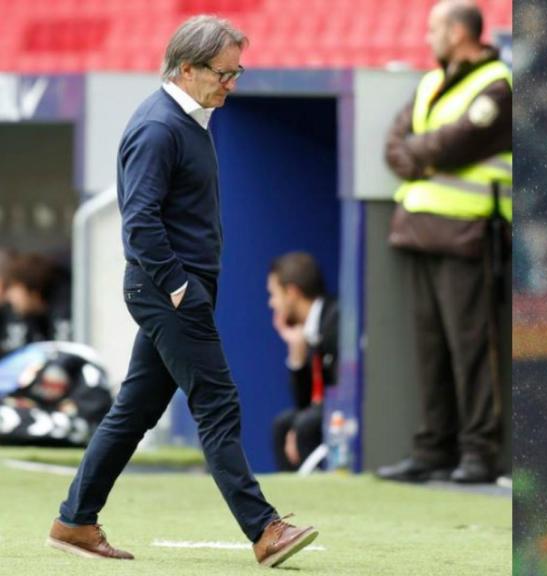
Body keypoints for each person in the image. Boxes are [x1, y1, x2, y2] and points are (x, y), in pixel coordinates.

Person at [46, 15, 317, 567]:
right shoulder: (159, 126)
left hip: (174, 289)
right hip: (166, 290)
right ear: (187, 68)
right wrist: (176, 286)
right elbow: (140, 221)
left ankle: (75, 521)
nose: (231, 83)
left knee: (134, 410)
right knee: (217, 402)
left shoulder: (185, 120)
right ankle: (264, 528)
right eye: (223, 72)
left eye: (237, 72)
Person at [377, 0, 512, 484]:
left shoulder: (498, 84)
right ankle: (433, 448)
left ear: (458, 32)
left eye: (434, 28)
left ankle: (479, 453)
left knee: (471, 347)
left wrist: (419, 153)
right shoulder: (431, 81)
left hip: (469, 232)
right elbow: (394, 145)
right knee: (431, 348)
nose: (427, 36)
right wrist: (424, 155)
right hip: (418, 229)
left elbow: (458, 143)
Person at [266, 252, 339, 471]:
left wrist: (301, 424)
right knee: (284, 424)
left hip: (350, 417)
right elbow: (304, 405)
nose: (271, 303)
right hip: (326, 412)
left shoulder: (335, 319)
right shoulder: (312, 327)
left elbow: (340, 391)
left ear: (292, 293)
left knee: (305, 425)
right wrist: (296, 355)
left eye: (274, 294)